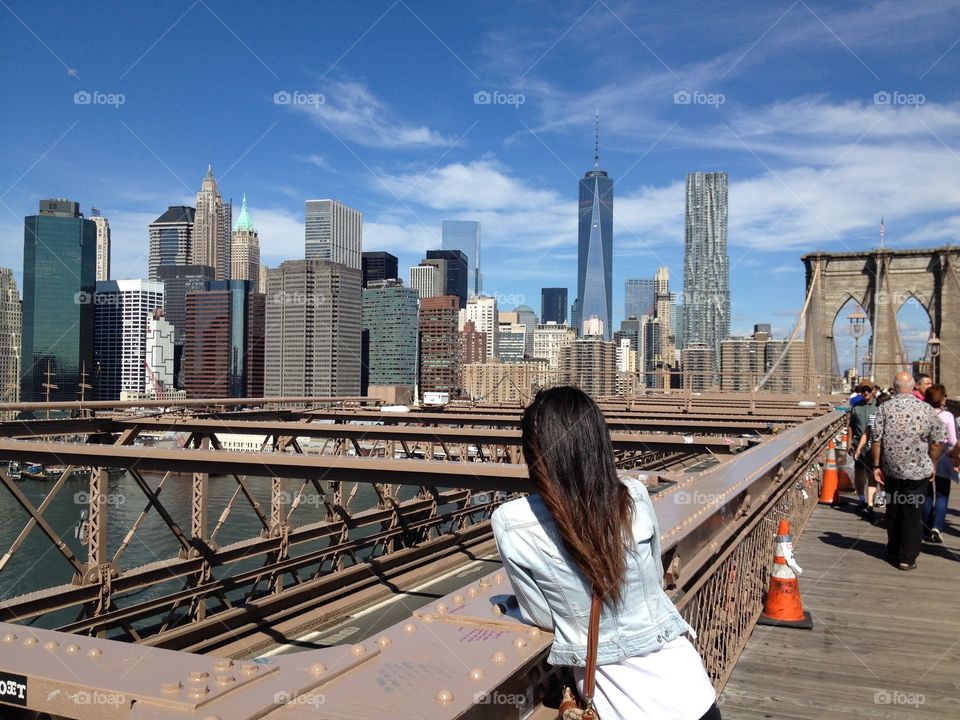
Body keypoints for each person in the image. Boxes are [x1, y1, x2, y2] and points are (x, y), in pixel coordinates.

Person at [492, 386, 720, 720]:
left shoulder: (512, 523)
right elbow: (653, 579)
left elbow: (541, 615)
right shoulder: (636, 498)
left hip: (624, 710)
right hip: (694, 696)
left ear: (533, 455)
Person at [871, 372, 946, 570]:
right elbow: (938, 440)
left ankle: (893, 550)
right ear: (913, 388)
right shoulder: (926, 409)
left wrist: (876, 466)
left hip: (891, 470)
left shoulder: (884, 408)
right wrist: (933, 463)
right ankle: (907, 557)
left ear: (894, 388)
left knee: (894, 510)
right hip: (918, 471)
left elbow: (876, 440)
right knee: (913, 513)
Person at [922, 384, 957, 544]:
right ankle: (937, 526)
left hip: (925, 454)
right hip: (943, 456)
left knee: (927, 493)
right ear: (942, 398)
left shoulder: (922, 413)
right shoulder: (948, 416)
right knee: (942, 493)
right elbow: (952, 441)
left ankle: (927, 528)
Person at [847, 383, 876, 512]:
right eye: (863, 390)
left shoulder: (880, 406)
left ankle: (871, 502)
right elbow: (851, 426)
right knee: (859, 473)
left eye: (868, 390)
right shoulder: (855, 407)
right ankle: (861, 498)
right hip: (858, 443)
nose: (865, 392)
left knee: (872, 474)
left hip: (874, 445)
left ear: (873, 391)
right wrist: (848, 444)